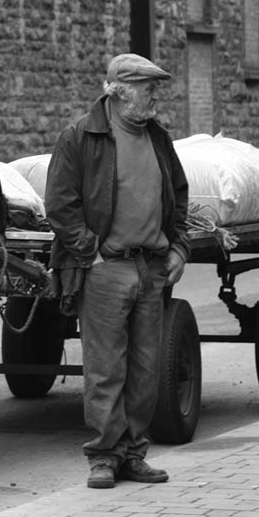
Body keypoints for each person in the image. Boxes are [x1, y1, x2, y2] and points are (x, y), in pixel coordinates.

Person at [45, 52, 192, 489]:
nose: (155, 97)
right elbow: (60, 204)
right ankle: (104, 456)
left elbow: (179, 197)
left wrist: (179, 249)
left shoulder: (158, 138)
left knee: (145, 369)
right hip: (106, 269)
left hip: (151, 268)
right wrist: (90, 252)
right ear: (121, 91)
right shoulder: (81, 136)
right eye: (149, 88)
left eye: (155, 88)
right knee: (106, 368)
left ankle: (133, 454)